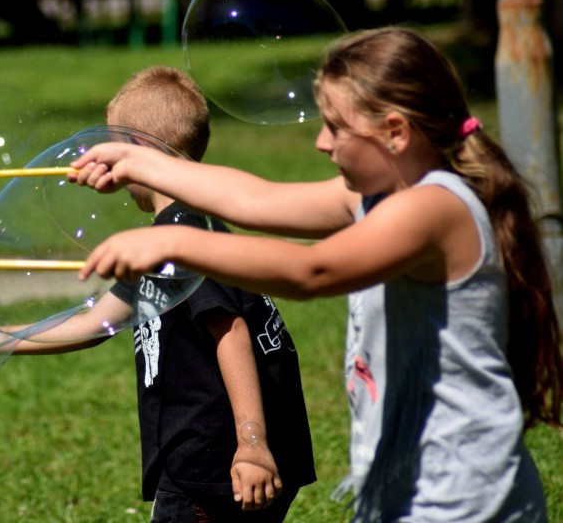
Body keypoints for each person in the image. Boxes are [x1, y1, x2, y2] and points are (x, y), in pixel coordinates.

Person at [68, 28, 563, 521]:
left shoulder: (434, 208)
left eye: (336, 126)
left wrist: (172, 241)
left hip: (466, 500)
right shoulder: (373, 200)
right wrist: (137, 160)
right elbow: (252, 199)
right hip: (408, 489)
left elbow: (313, 271)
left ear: (395, 131)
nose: (321, 142)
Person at [0, 66, 316, 521]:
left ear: (139, 150)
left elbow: (229, 329)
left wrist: (251, 442)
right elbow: (94, 322)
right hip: (221, 458)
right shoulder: (178, 231)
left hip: (213, 463)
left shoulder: (186, 233)